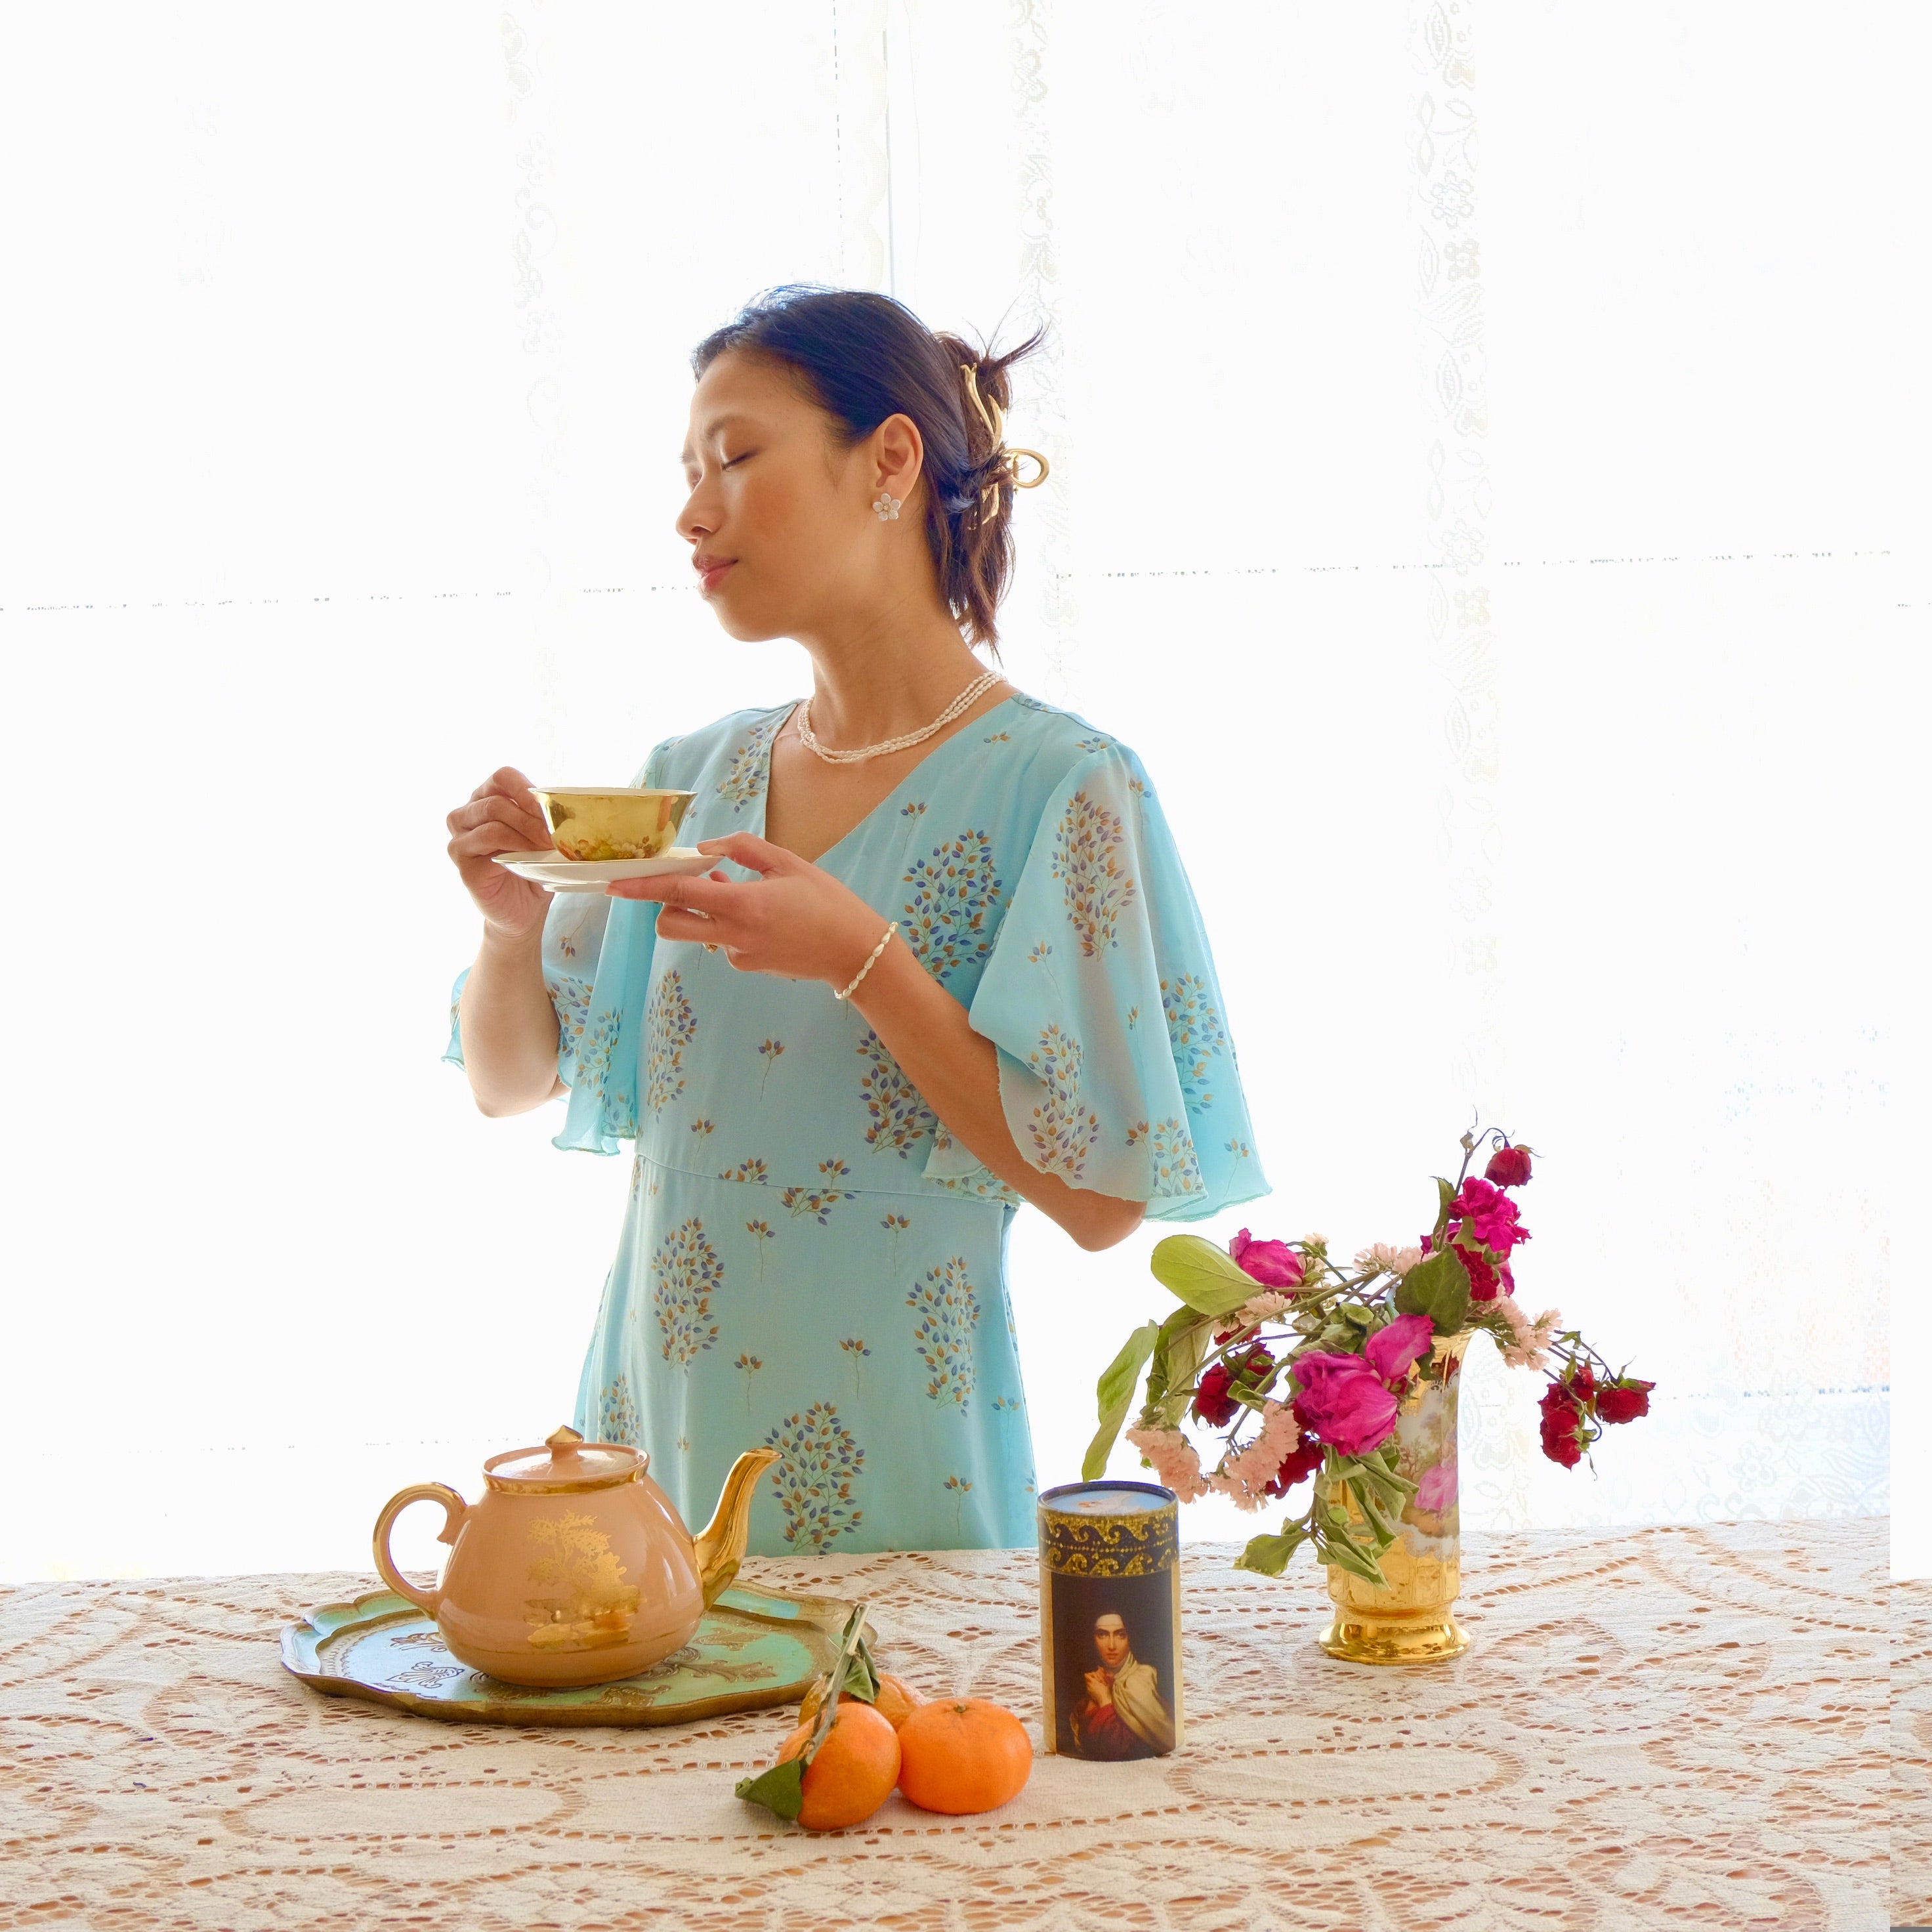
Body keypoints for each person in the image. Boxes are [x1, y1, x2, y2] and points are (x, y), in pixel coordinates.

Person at [443, 285, 1265, 1557]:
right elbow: (510, 1083)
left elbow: (1102, 1203)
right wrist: (507, 927)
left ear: (887, 459)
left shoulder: (1061, 788)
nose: (691, 510)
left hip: (904, 1467)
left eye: (734, 455)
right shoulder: (688, 776)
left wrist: (861, 957)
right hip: (643, 1460)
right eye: (685, 471)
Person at [1070, 1611, 1175, 1759]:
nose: (1112, 1645)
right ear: (1092, 1639)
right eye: (1102, 1635)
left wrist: (1104, 1700)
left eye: (1121, 1635)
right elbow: (1087, 1746)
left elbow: (1123, 1750)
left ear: (1131, 1637)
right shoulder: (1097, 1682)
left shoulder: (1141, 1679)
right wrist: (1094, 1702)